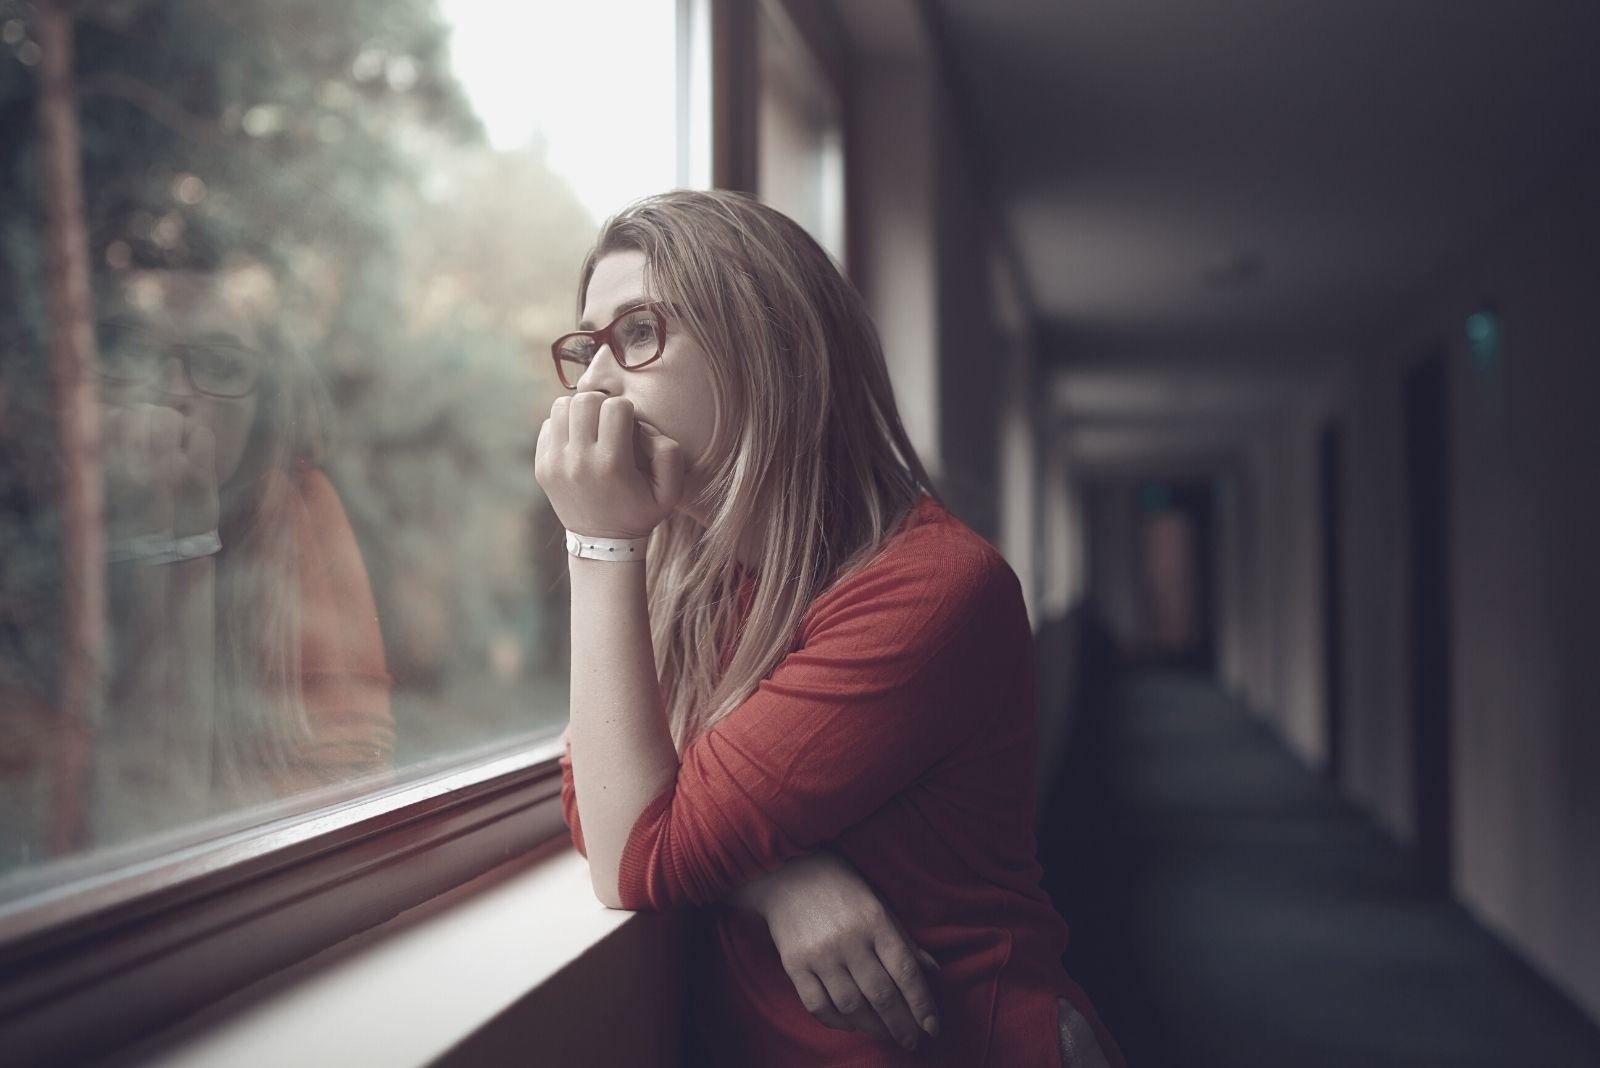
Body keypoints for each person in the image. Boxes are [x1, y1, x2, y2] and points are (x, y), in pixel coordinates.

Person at [539, 190, 1125, 1067]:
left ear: (765, 346)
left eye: (637, 334)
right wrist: (779, 879)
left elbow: (631, 853)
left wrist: (598, 543)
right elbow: (598, 788)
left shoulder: (930, 589)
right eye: (587, 347)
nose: (594, 382)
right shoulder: (695, 575)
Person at [86, 263, 394, 842]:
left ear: (265, 402)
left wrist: (180, 535)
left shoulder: (298, 512)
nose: (173, 389)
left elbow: (351, 767)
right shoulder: (45, 528)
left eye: (222, 364)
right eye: (135, 352)